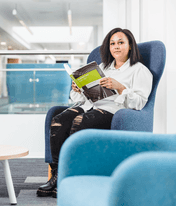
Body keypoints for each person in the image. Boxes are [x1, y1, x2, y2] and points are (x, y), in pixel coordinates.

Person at [36, 28, 153, 198]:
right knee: (59, 120)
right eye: (112, 43)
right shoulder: (103, 67)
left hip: (114, 111)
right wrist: (78, 88)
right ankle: (57, 175)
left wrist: (120, 87)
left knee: (79, 122)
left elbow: (140, 102)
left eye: (121, 42)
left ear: (130, 46)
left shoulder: (139, 70)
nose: (116, 47)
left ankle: (73, 176)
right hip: (89, 105)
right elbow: (84, 96)